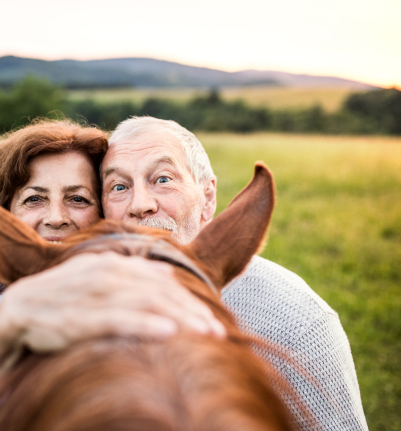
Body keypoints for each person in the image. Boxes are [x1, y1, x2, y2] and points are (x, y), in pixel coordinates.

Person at [0, 119, 224, 431]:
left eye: (78, 199)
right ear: (3, 212)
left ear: (103, 214)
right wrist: (5, 331)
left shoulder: (126, 297)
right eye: (34, 199)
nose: (56, 218)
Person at [100, 116, 369, 431]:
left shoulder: (294, 323)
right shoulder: (92, 302)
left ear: (208, 197)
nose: (140, 205)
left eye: (162, 179)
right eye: (119, 186)